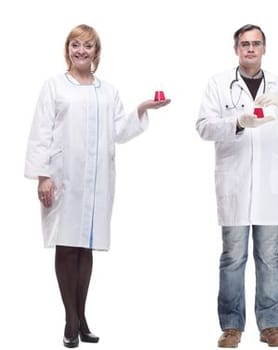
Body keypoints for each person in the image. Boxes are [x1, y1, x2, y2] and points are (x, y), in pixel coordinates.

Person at [24, 24, 170, 349]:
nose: (81, 51)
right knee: (67, 244)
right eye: (75, 45)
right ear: (68, 49)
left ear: (96, 52)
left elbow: (118, 129)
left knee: (85, 245)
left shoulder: (108, 91)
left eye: (87, 46)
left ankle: (82, 316)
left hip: (96, 182)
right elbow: (40, 131)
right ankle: (70, 320)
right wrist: (43, 175)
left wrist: (142, 109)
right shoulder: (54, 87)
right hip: (64, 179)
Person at [196, 24, 278, 348]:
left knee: (269, 258)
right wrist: (237, 123)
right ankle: (231, 327)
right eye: (245, 44)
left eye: (256, 43)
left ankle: (270, 325)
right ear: (236, 49)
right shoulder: (218, 84)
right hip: (235, 185)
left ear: (264, 48)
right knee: (232, 257)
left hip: (269, 189)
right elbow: (203, 127)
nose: (250, 49)